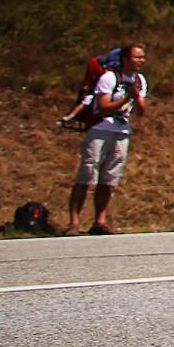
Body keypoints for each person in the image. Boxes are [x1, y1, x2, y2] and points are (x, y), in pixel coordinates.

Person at [66, 43, 147, 235]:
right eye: (137, 57)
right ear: (126, 59)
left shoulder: (140, 80)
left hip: (122, 131)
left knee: (109, 179)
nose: (141, 61)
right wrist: (127, 98)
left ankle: (99, 221)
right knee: (87, 176)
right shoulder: (109, 77)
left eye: (142, 57)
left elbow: (141, 111)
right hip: (100, 129)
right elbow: (103, 107)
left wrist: (136, 99)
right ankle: (74, 223)